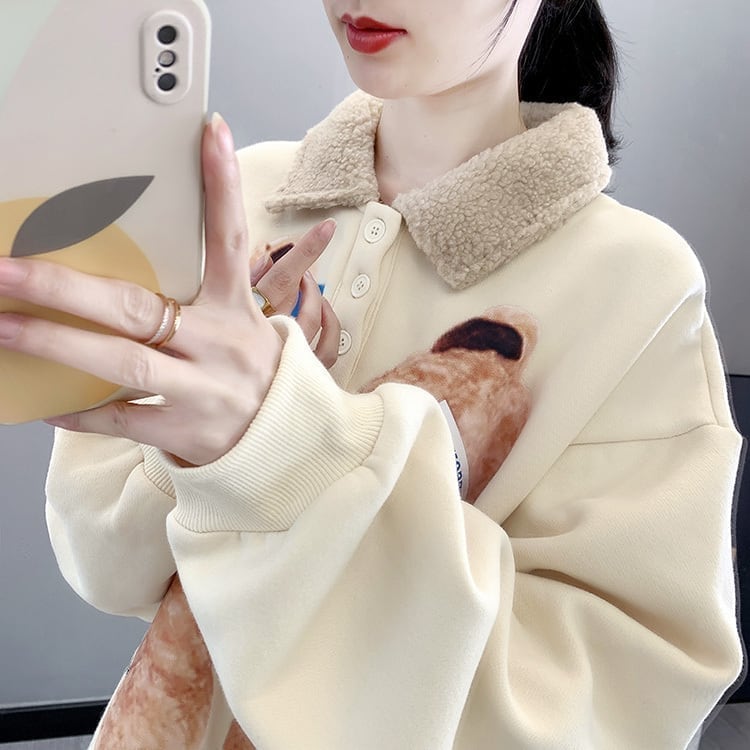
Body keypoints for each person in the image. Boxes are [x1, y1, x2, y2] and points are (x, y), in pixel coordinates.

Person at [0, 0, 744, 747]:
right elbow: (103, 567)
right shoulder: (238, 191)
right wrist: (200, 445)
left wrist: (282, 441)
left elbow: (613, 714)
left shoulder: (638, 286)